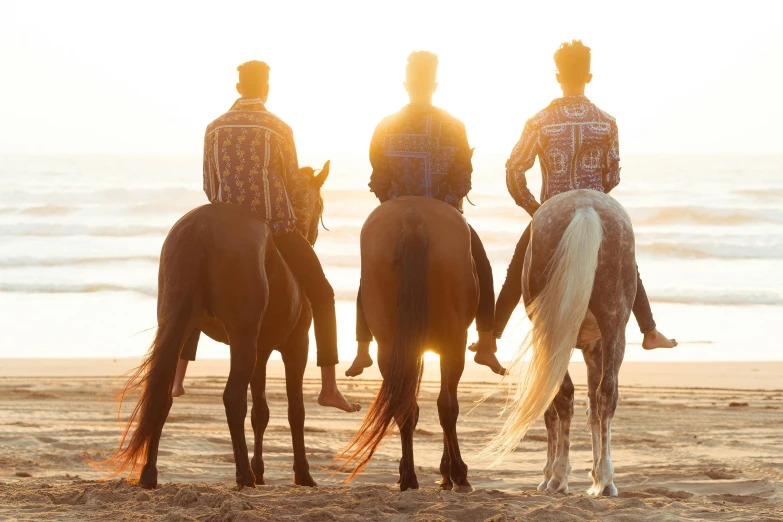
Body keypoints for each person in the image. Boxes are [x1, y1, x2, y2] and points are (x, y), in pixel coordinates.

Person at [171, 60, 360, 412]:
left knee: (192, 288)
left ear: (239, 88)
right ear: (266, 89)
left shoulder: (214, 128)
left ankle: (178, 377)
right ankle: (329, 387)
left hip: (223, 224)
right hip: (273, 225)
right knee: (322, 293)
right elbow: (290, 182)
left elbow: (209, 185)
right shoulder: (278, 128)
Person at [495, 40, 677, 350]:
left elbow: (514, 170)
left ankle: (492, 335)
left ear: (558, 77)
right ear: (588, 76)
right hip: (596, 208)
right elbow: (613, 173)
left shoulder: (539, 122)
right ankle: (649, 330)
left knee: (518, 263)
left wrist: (538, 210)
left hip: (553, 208)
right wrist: (595, 204)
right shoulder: (607, 122)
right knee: (627, 262)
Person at [345, 51, 506, 377]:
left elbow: (378, 178)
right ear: (434, 84)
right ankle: (486, 344)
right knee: (483, 266)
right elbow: (463, 177)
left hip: (395, 210)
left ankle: (362, 349)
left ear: (406, 85)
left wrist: (395, 203)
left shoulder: (385, 126)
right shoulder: (453, 126)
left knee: (370, 272)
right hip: (446, 210)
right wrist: (443, 206)